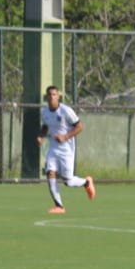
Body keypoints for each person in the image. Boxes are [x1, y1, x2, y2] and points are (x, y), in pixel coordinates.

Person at [36, 85, 95, 214]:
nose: (52, 97)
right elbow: (46, 127)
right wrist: (41, 136)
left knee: (67, 181)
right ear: (46, 97)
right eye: (49, 95)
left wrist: (65, 136)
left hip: (67, 149)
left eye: (54, 94)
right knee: (50, 172)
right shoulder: (45, 112)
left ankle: (86, 182)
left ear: (58, 97)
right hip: (53, 147)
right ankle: (59, 206)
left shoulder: (66, 111)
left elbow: (80, 127)